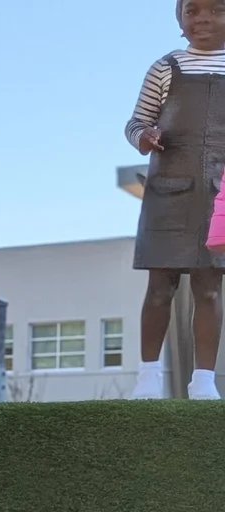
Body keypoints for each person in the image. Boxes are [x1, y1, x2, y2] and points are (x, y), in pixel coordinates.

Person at [125, 0, 225, 400]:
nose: (202, 18)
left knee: (209, 287)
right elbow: (135, 122)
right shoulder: (165, 67)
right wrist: (145, 137)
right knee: (159, 285)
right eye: (192, 10)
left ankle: (204, 381)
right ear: (179, 20)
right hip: (168, 185)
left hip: (220, 192)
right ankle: (147, 377)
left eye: (216, 9)